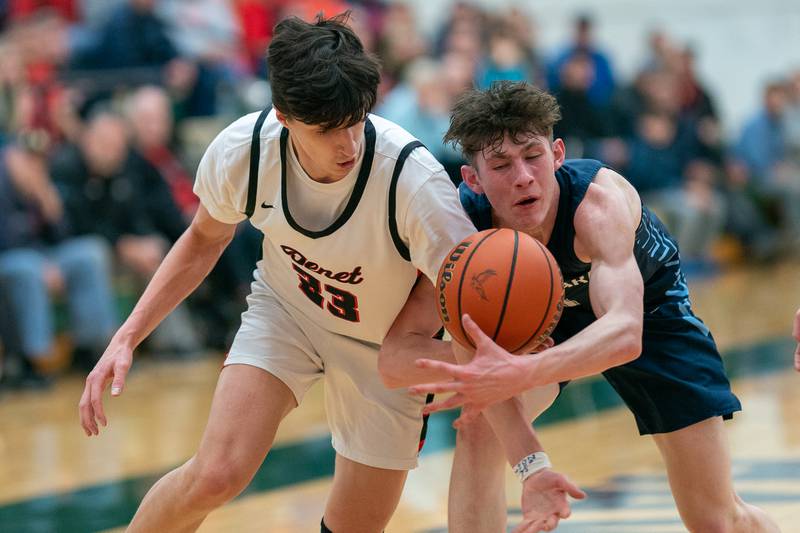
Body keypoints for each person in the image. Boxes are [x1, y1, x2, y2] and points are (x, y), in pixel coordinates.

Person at [77, 15, 574, 533]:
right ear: (284, 117)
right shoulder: (243, 152)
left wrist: (530, 464)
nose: (349, 145)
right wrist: (127, 335)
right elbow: (204, 238)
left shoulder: (414, 183)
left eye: (356, 121)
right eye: (327, 130)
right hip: (288, 314)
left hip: (383, 349)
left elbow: (473, 332)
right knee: (216, 474)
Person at [404, 81, 779, 532]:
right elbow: (395, 359)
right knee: (480, 422)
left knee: (717, 520)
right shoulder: (461, 229)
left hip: (651, 311)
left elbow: (625, 332)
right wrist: (480, 368)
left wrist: (519, 372)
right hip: (543, 321)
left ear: (558, 153)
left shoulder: (596, 204)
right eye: (501, 165)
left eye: (533, 157)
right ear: (473, 180)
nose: (522, 176)